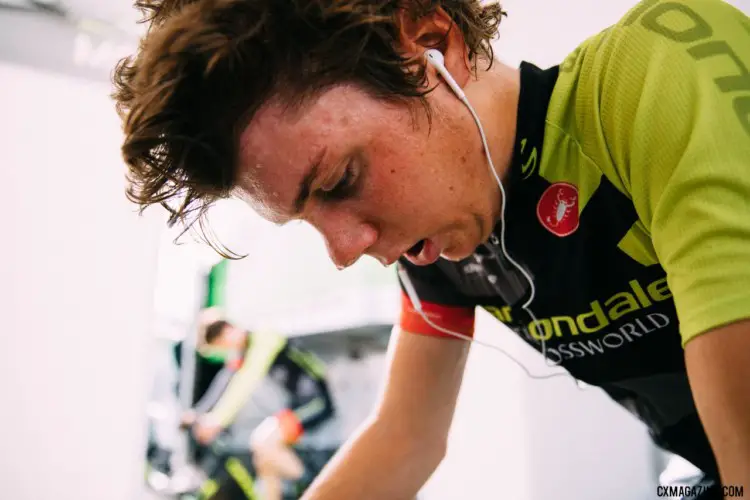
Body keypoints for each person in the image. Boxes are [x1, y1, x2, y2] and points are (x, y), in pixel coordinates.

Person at [113, 0, 750, 498]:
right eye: (306, 218)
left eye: (339, 181)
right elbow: (405, 438)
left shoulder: (647, 76)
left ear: (430, 44)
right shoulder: (443, 241)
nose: (343, 249)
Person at [182, 309, 338, 500]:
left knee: (262, 441)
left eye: (222, 345)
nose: (226, 350)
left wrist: (218, 421)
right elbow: (225, 383)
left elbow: (247, 379)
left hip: (315, 402)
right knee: (264, 460)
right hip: (296, 406)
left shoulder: (264, 338)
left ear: (227, 330)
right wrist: (199, 412)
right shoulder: (243, 350)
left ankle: (318, 488)